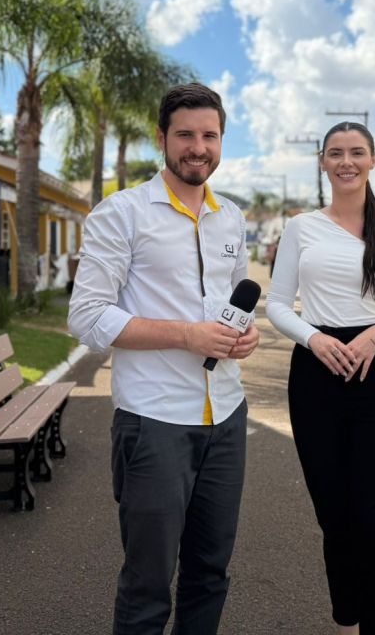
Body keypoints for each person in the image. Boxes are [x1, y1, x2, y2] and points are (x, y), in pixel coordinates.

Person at [68, 82, 259, 634]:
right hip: (154, 422)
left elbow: (233, 301)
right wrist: (185, 335)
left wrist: (243, 337)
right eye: (185, 135)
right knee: (149, 582)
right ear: (162, 139)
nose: (198, 147)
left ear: (221, 140)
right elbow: (87, 316)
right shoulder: (121, 213)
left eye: (210, 135)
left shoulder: (232, 219)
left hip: (226, 414)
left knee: (210, 572)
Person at [266, 121, 375, 634]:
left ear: (374, 160)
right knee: (334, 516)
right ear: (322, 161)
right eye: (336, 153)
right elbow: (275, 303)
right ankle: (347, 617)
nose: (346, 161)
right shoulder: (300, 228)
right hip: (315, 380)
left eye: (357, 152)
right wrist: (313, 339)